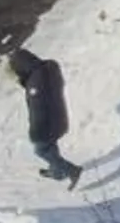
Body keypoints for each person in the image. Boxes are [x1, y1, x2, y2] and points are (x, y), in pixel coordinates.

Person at [5, 47, 77, 186]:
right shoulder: (48, 69)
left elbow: (38, 110)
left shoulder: (35, 82)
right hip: (59, 117)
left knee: (41, 150)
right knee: (51, 146)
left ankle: (71, 170)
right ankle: (56, 172)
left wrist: (36, 133)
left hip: (48, 123)